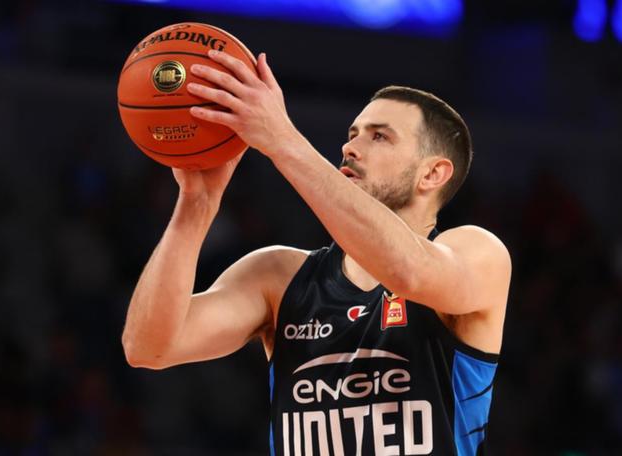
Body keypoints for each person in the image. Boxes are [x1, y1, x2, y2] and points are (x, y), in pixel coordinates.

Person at [122, 49, 512, 456]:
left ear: (432, 174)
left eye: (379, 136)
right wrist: (196, 206)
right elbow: (148, 347)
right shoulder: (278, 276)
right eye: (352, 134)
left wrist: (282, 139)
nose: (351, 148)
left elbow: (407, 272)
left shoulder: (478, 253)